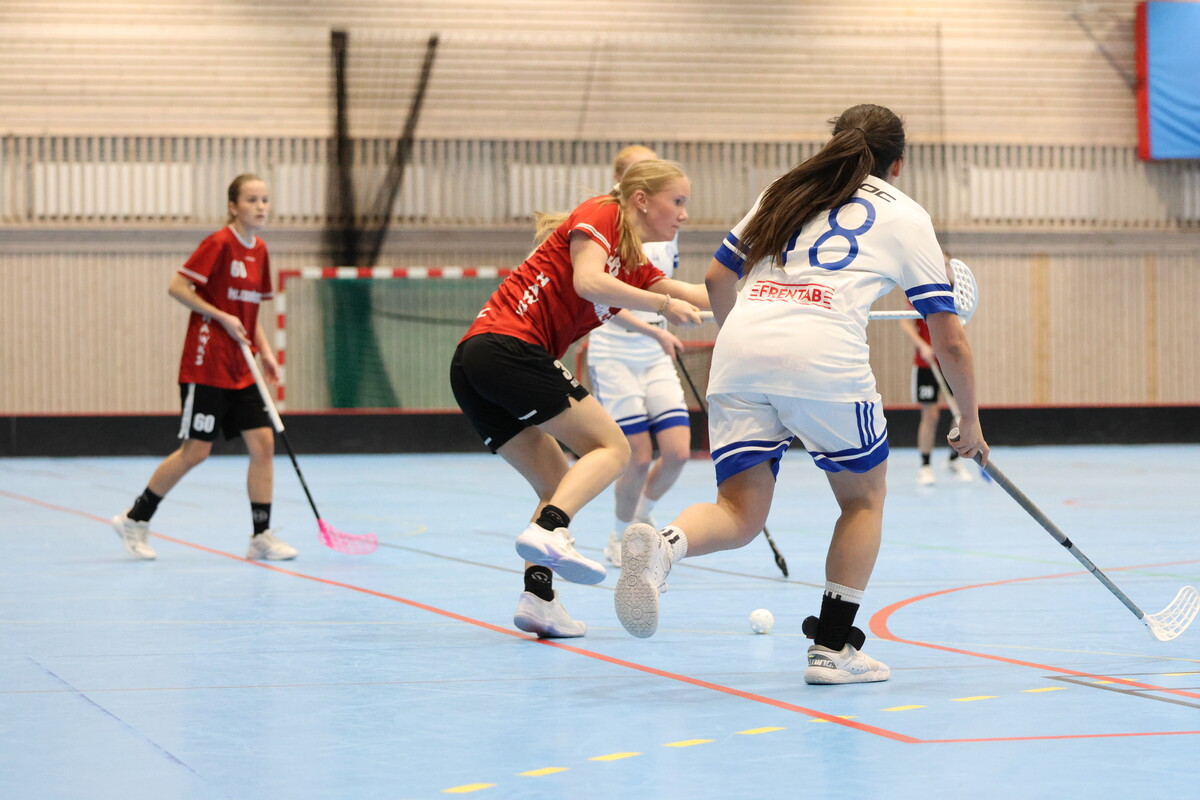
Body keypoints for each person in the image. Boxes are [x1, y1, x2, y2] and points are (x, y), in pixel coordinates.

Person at [612, 104, 988, 684]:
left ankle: (665, 546)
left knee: (738, 513)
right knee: (862, 500)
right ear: (898, 164)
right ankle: (832, 650)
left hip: (740, 347)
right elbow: (950, 339)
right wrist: (971, 419)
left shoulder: (786, 190)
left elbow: (717, 278)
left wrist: (747, 347)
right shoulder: (906, 214)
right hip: (824, 357)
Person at [450, 159, 709, 639]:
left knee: (557, 482)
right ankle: (550, 529)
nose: (684, 214)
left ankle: (538, 599)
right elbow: (587, 281)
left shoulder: (633, 265)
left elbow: (695, 292)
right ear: (641, 200)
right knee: (613, 448)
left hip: (475, 365)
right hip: (508, 349)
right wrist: (662, 305)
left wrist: (764, 289)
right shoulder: (602, 212)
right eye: (677, 201)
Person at [111, 174, 297, 562]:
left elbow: (249, 312)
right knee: (196, 451)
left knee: (263, 444)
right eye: (252, 200)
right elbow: (177, 286)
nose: (261, 206)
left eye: (265, 199)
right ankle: (134, 518)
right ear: (233, 206)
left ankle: (260, 535)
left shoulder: (260, 250)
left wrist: (265, 352)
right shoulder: (219, 243)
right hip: (207, 365)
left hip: (241, 367)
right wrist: (220, 316)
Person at [587, 146, 692, 567]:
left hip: (655, 352)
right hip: (615, 351)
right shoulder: (607, 228)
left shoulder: (666, 229)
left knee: (678, 452)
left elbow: (665, 286)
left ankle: (641, 516)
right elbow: (604, 297)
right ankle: (619, 536)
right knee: (638, 456)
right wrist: (655, 327)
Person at [899, 306, 973, 486]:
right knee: (930, 415)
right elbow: (904, 322)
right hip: (925, 364)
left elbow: (960, 325)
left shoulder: (955, 296)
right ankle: (925, 466)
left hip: (950, 363)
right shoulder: (918, 294)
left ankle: (953, 460)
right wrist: (922, 345)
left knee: (961, 412)